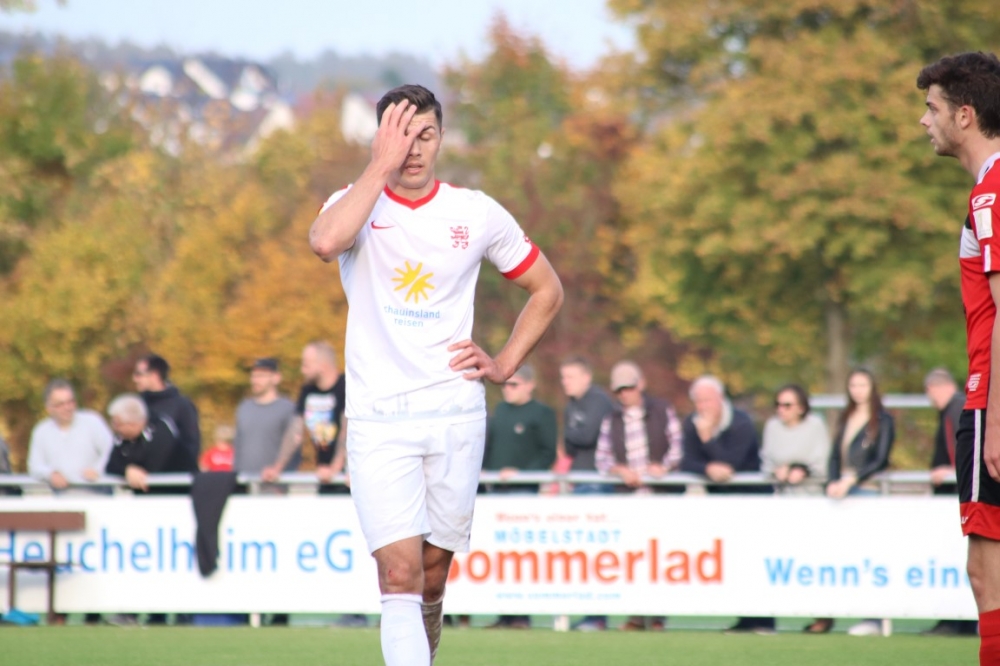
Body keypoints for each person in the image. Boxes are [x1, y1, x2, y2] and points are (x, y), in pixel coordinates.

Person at [308, 84, 563, 665]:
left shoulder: (475, 212)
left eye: (425, 135)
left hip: (455, 414)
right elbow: (323, 242)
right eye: (402, 137)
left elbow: (547, 289)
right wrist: (380, 166)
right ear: (381, 140)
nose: (414, 149)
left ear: (442, 138)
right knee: (397, 574)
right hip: (379, 418)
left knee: (431, 576)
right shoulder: (352, 202)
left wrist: (504, 363)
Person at [919, 52, 1000, 664]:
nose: (925, 121)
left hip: (989, 395)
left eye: (932, 108)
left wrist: (994, 419)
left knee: (986, 573)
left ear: (964, 115)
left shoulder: (990, 194)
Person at [679, 374, 774, 634]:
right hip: (722, 504)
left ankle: (765, 622)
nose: (702, 407)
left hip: (752, 501)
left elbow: (732, 463)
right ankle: (745, 619)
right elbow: (687, 461)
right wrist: (707, 468)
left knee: (756, 561)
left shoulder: (741, 423)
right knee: (734, 563)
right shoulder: (692, 423)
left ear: (720, 399)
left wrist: (707, 439)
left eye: (707, 400)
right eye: (698, 401)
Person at [595, 360, 682, 631]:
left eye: (629, 388)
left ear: (640, 385)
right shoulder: (611, 419)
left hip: (660, 497)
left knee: (661, 559)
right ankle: (635, 615)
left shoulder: (662, 410)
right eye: (619, 390)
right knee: (632, 560)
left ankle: (657, 617)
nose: (624, 394)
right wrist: (619, 470)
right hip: (628, 499)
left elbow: (678, 448)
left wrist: (663, 468)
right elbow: (602, 458)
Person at [481, 363, 557, 629]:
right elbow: (489, 448)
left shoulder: (542, 414)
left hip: (524, 492)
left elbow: (548, 454)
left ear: (529, 385)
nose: (508, 390)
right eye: (505, 385)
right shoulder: (500, 412)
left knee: (521, 556)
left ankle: (522, 616)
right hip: (496, 493)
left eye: (514, 385)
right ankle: (504, 614)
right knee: (500, 556)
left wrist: (522, 473)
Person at [823, 368, 894, 637]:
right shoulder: (846, 417)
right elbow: (834, 455)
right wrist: (832, 481)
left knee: (869, 556)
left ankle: (873, 618)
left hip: (867, 491)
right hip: (842, 492)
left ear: (872, 388)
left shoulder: (883, 420)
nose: (858, 390)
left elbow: (880, 459)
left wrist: (852, 480)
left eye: (863, 385)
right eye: (853, 385)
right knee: (844, 555)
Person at [559, 356, 614, 632]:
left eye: (570, 376)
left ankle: (597, 616)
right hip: (579, 482)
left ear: (586, 377)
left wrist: (572, 432)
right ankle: (589, 615)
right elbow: (570, 444)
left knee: (598, 554)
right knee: (581, 555)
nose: (565, 382)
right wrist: (573, 433)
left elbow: (586, 436)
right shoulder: (572, 404)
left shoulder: (598, 400)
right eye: (563, 377)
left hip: (597, 483)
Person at [922, 368, 978, 637]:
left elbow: (960, 447)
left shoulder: (954, 409)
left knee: (953, 555)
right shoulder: (959, 406)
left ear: (934, 388)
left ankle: (953, 621)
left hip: (955, 495)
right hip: (961, 493)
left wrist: (949, 470)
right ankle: (963, 621)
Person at [262, 342, 346, 488]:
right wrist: (277, 467)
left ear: (322, 365)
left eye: (306, 365)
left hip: (347, 475)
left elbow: (349, 431)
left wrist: (335, 468)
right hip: (324, 473)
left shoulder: (346, 387)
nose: (302, 370)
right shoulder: (308, 390)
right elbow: (295, 433)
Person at [27, 379, 114, 492]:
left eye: (70, 402)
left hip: (97, 496)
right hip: (62, 498)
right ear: (48, 408)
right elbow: (35, 466)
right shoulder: (41, 431)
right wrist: (50, 474)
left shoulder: (93, 421)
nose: (67, 407)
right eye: (60, 404)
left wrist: (97, 470)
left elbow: (111, 451)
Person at [105, 393, 196, 491]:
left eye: (118, 424)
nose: (114, 428)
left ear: (133, 424)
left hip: (177, 493)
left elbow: (152, 469)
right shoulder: (122, 439)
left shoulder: (161, 433)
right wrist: (126, 470)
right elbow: (111, 466)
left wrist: (130, 470)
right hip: (147, 495)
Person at [760, 384, 830, 496]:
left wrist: (803, 471)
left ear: (801, 408)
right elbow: (766, 462)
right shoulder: (772, 426)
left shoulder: (815, 425)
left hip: (811, 495)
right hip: (782, 495)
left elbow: (822, 463)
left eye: (787, 405)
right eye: (778, 405)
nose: (781, 410)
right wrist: (776, 472)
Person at [233, 358, 297, 479]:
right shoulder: (244, 408)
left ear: (276, 378)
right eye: (253, 376)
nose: (255, 380)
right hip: (243, 481)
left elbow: (294, 444)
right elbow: (238, 446)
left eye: (261, 376)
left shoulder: (287, 408)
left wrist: (278, 470)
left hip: (274, 482)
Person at [133, 354, 201, 468]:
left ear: (154, 375)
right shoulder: (138, 405)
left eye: (139, 374)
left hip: (173, 476)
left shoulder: (182, 405)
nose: (134, 379)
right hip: (140, 476)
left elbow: (191, 446)